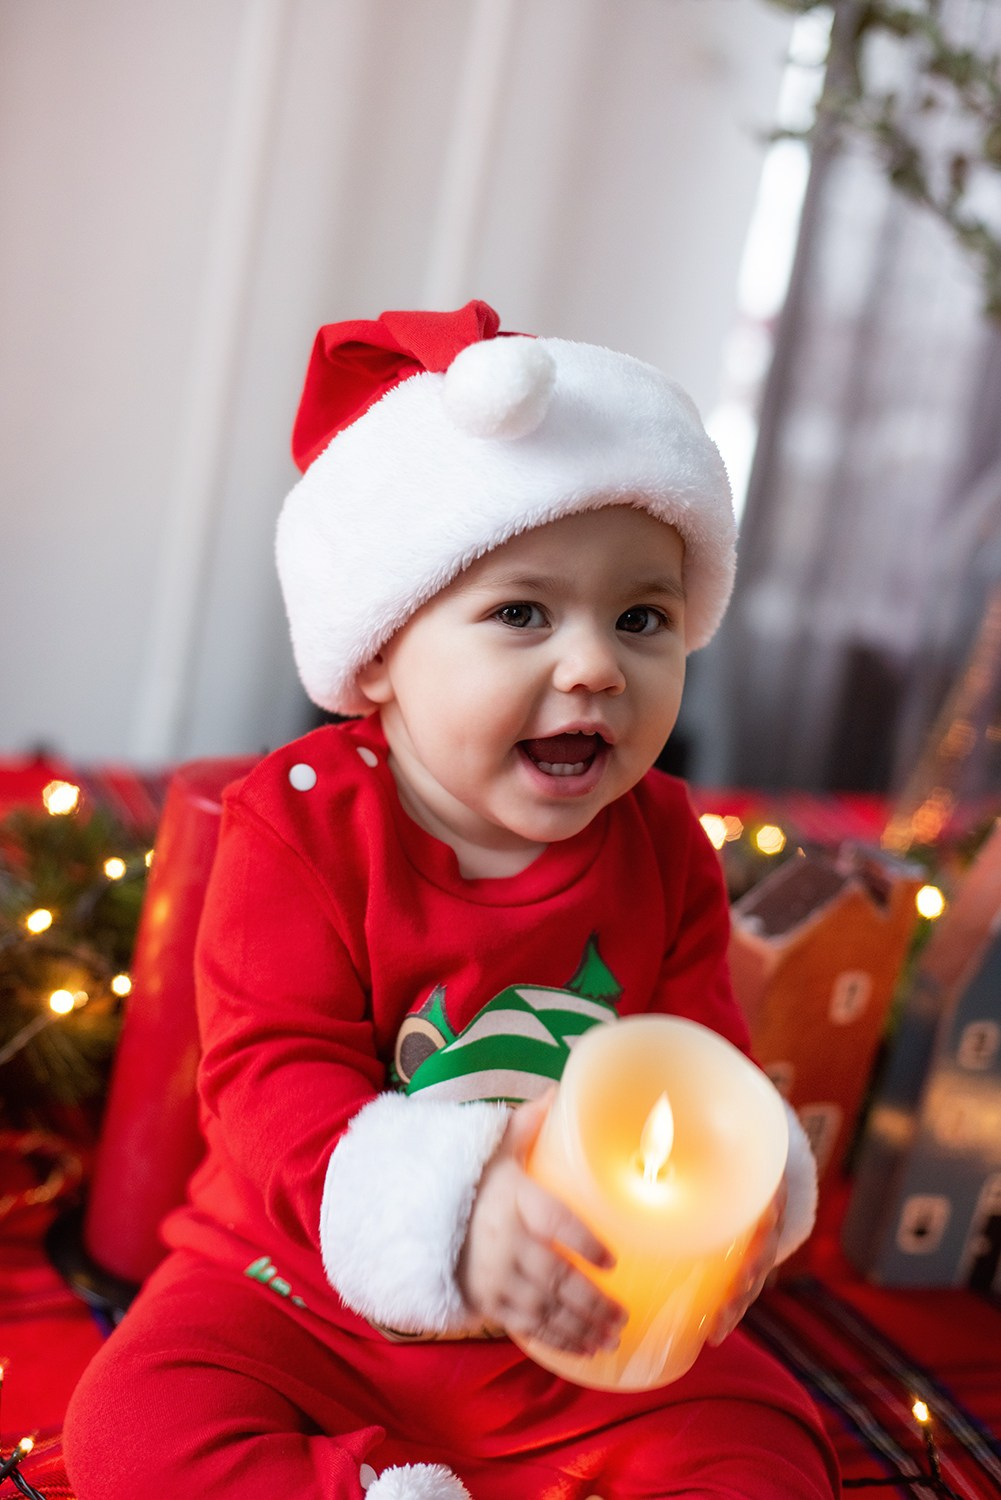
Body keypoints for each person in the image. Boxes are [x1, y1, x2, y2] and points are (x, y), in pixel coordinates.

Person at [65, 302, 838, 1499]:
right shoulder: (302, 823)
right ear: (379, 651)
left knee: (771, 1452)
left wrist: (735, 1203)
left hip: (568, 1321)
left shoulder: (664, 840)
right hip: (299, 1300)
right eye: (521, 613)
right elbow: (275, 1082)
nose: (591, 665)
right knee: (127, 1428)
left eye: (641, 619)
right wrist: (456, 1210)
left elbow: (696, 1065)